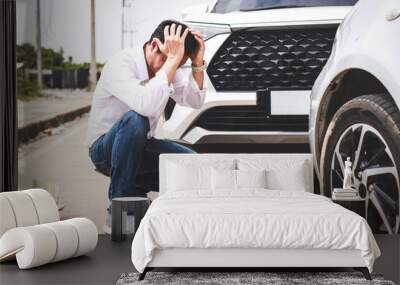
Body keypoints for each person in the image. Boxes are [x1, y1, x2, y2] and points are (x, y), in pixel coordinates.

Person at [87, 20, 206, 203]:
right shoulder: (121, 64)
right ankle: (120, 208)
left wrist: (197, 64)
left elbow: (194, 100)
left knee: (196, 166)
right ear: (153, 45)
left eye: (178, 64)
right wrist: (172, 61)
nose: (173, 67)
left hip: (142, 145)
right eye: (169, 59)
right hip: (104, 149)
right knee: (136, 120)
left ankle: (138, 186)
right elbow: (145, 106)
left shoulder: (169, 65)